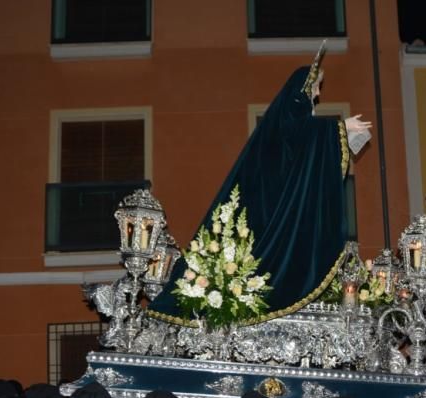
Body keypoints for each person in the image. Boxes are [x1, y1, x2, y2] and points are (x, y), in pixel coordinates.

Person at [150, 48, 368, 323]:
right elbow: (297, 134)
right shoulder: (292, 111)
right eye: (315, 85)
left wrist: (339, 136)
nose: (317, 93)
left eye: (319, 86)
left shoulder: (301, 118)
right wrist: (341, 128)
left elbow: (304, 154)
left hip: (283, 203)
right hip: (270, 205)